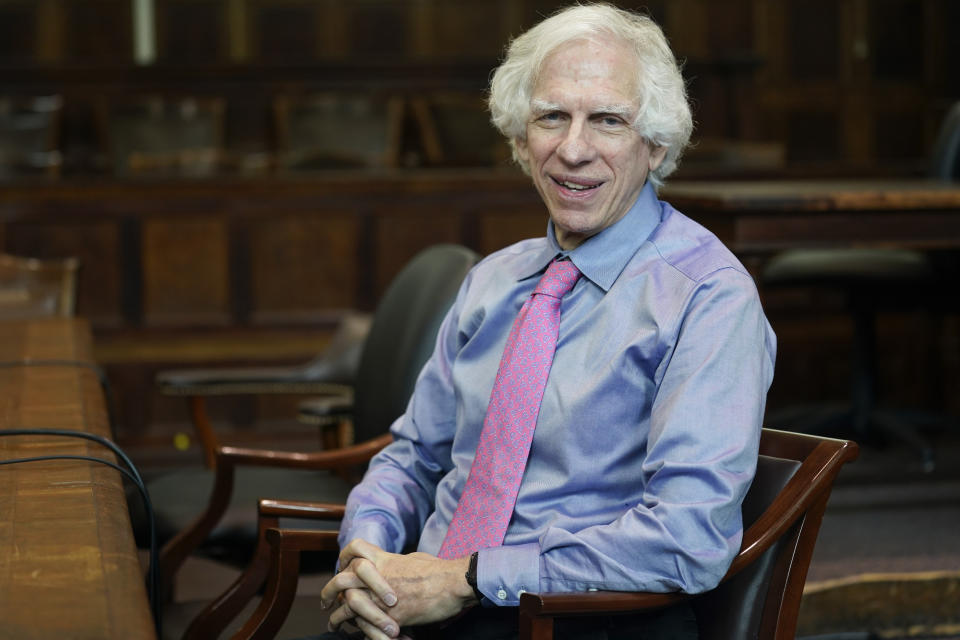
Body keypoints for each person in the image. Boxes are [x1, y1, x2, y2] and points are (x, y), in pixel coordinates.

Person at [315, 4, 776, 639]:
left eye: (608, 120)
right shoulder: (494, 279)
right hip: (419, 606)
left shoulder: (709, 298)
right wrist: (367, 556)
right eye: (551, 117)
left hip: (580, 619)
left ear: (657, 143)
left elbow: (686, 537)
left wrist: (469, 579)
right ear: (518, 138)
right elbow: (414, 456)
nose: (573, 149)